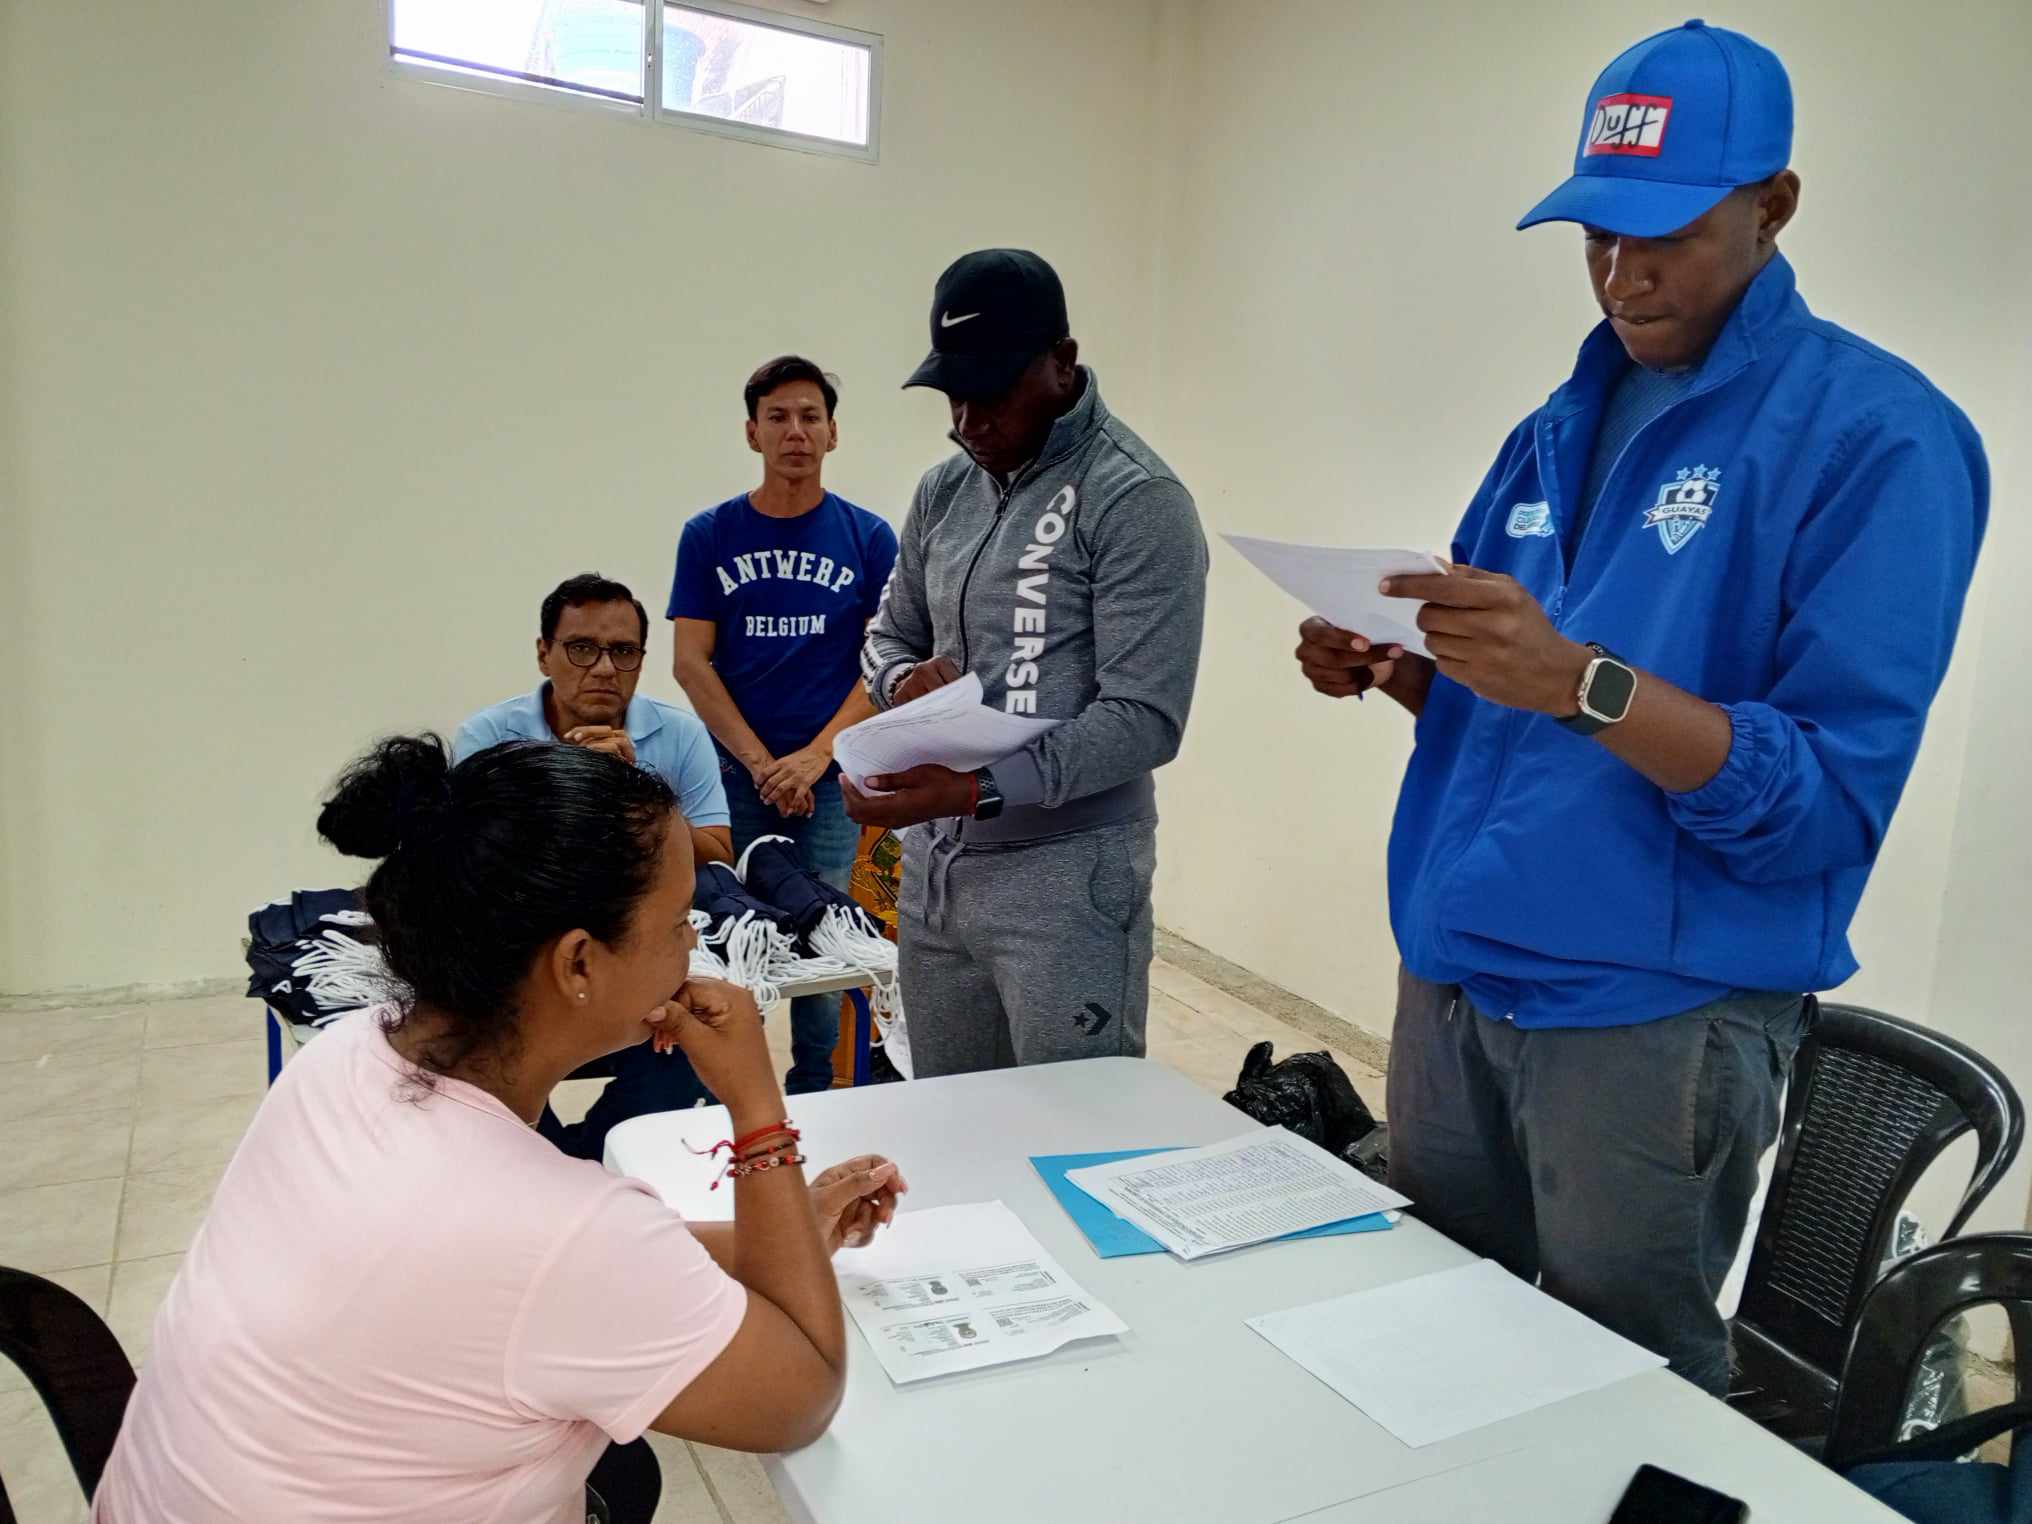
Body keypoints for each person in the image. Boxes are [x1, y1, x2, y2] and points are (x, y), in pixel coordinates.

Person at [1292, 21, 1985, 1396]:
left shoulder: (1878, 438)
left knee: (1620, 1392)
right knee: (1437, 1346)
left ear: (1774, 206)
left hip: (1650, 1018)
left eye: (1665, 232)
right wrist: (1410, 672)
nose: (1624, 271)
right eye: (1598, 234)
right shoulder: (1558, 423)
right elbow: (1518, 721)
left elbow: (1821, 804)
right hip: (1458, 973)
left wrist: (1579, 679)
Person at [92, 735, 904, 1522]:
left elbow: (524, 1272)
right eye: (678, 922)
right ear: (578, 963)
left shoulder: (346, 1051)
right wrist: (758, 1112)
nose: (695, 942)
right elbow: (801, 1397)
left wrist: (788, 1232)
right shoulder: (566, 1233)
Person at [851, 249, 1208, 1075]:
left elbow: (1145, 719)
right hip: (936, 873)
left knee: (1072, 1128)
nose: (970, 421)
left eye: (993, 392)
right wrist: (901, 683)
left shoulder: (1137, 499)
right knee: (951, 1119)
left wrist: (979, 788)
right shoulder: (943, 491)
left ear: (1063, 363)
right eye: (953, 396)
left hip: (1067, 882)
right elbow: (885, 635)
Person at [670, 357, 898, 1094]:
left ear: (832, 433)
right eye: (778, 417)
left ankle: (812, 1088)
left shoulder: (869, 538)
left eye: (809, 417)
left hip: (828, 780)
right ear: (752, 433)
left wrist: (816, 757)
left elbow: (884, 663)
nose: (794, 431)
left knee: (828, 935)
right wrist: (763, 762)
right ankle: (731, 1092)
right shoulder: (708, 535)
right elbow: (691, 663)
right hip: (732, 777)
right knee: (724, 928)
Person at [454, 572, 732, 1158]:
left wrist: (636, 796)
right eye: (582, 648)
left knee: (693, 1035)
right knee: (478, 1045)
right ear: (543, 654)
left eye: (624, 652)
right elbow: (467, 862)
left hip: (633, 956)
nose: (605, 669)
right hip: (523, 954)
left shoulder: (680, 734)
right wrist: (565, 787)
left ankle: (595, 1161)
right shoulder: (489, 735)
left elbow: (717, 849)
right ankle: (547, 1163)